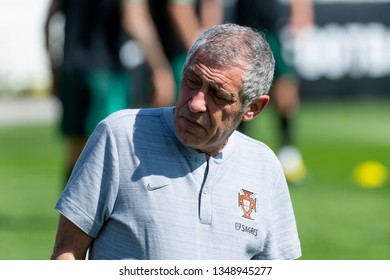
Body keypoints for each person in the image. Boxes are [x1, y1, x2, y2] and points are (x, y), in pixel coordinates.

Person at [51, 23, 301, 260]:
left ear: (253, 108)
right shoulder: (118, 136)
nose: (195, 103)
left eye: (218, 95)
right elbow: (67, 252)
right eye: (192, 81)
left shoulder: (264, 165)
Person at [44, 0, 175, 181]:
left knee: (76, 151)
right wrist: (160, 66)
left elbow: (49, 19)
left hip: (71, 71)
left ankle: (68, 208)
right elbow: (133, 17)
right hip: (105, 73)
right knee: (109, 148)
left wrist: (52, 66)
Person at [233, 0, 314, 184]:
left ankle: (289, 156)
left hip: (275, 29)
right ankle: (239, 157)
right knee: (241, 93)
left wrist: (302, 15)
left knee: (285, 94)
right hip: (243, 30)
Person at [147, 0, 224, 101]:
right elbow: (180, 9)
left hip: (196, 52)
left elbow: (210, 4)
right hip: (180, 56)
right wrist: (206, 57)